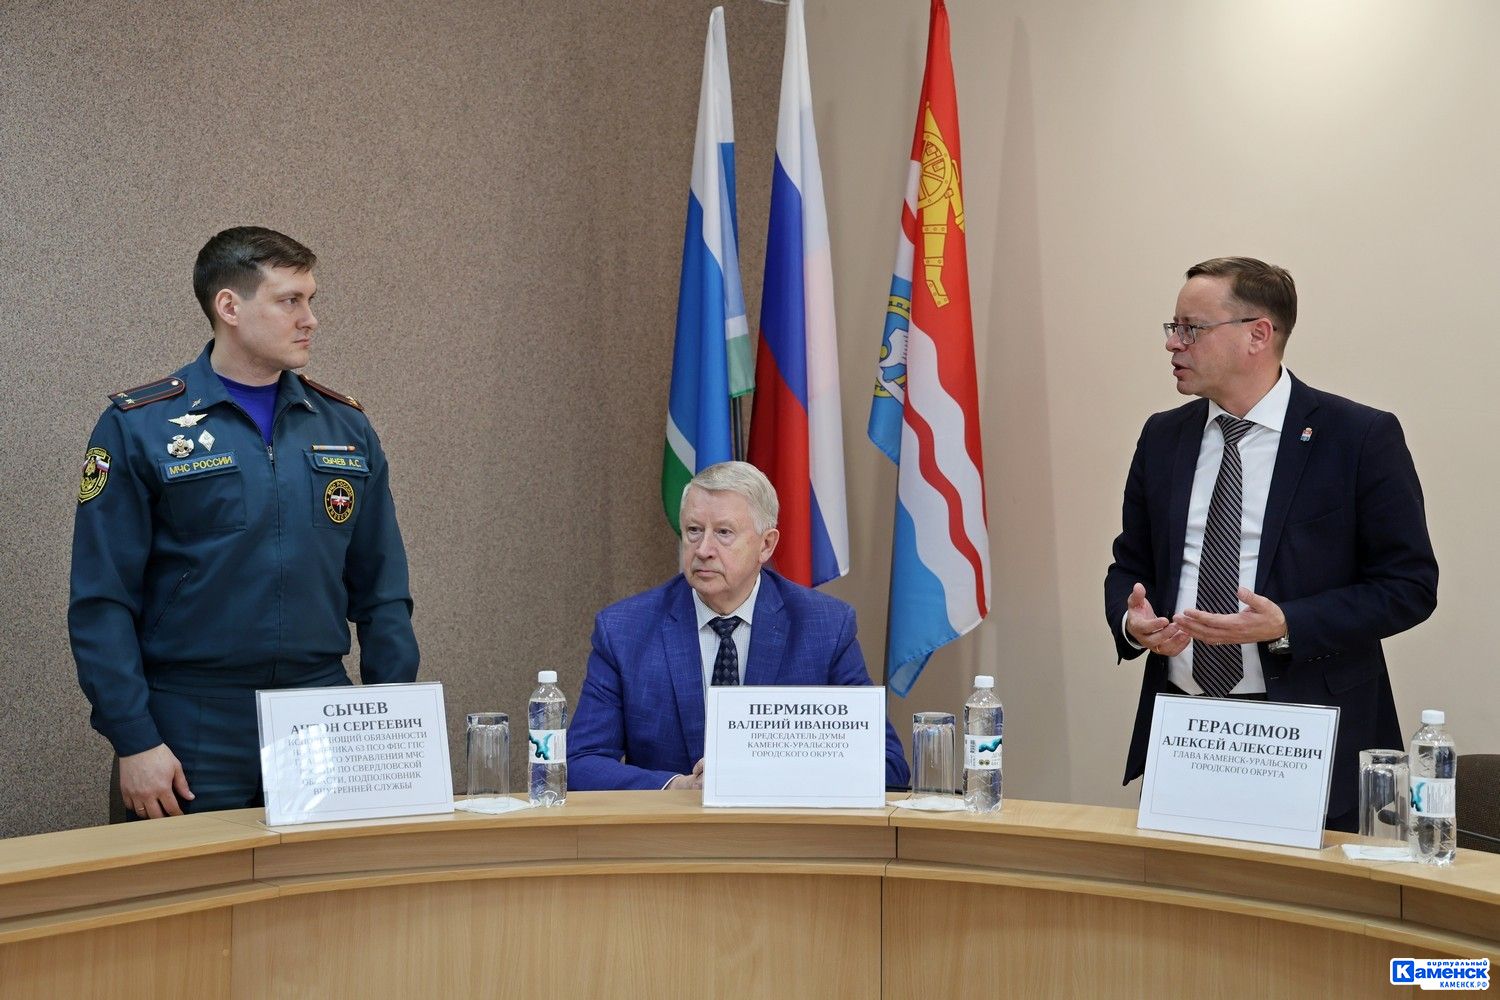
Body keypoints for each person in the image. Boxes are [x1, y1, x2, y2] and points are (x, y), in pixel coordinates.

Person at [69, 226, 419, 819]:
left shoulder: (343, 426)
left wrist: (391, 714)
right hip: (191, 721)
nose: (310, 319)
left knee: (330, 882)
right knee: (186, 882)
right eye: (290, 301)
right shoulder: (140, 426)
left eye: (311, 299)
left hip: (321, 714)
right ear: (229, 307)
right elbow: (102, 599)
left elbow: (382, 587)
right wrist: (134, 737)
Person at [1104, 257, 1438, 831]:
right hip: (1186, 727)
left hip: (1305, 733)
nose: (1173, 343)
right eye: (1173, 327)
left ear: (1258, 334)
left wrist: (1288, 624)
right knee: (1183, 888)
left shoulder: (1358, 437)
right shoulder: (1163, 436)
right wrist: (1133, 623)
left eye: (1191, 328)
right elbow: (1129, 563)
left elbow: (1409, 587)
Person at [569, 461, 910, 790]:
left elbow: (888, 766)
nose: (704, 549)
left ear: (766, 544)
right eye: (694, 531)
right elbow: (580, 762)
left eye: (724, 533)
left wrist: (761, 780)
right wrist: (676, 787)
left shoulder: (824, 627)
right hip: (670, 828)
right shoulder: (625, 630)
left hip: (781, 829)